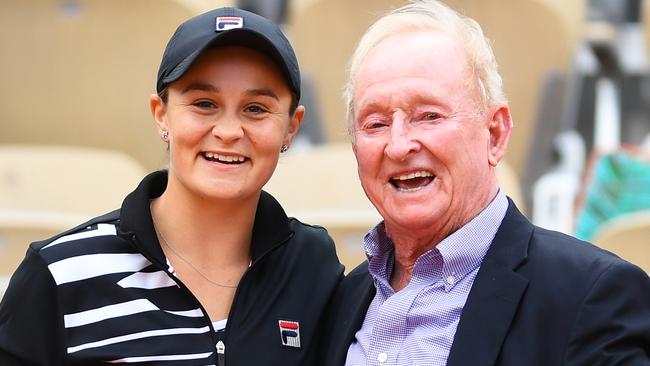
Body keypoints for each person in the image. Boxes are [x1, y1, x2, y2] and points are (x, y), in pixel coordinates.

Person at [0, 7, 343, 365]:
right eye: (204, 104)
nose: (228, 131)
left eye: (256, 109)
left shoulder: (312, 264)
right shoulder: (60, 273)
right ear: (161, 114)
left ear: (291, 126)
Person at [321, 1, 650, 365]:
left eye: (429, 116)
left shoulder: (589, 296)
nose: (398, 145)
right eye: (376, 123)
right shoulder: (340, 300)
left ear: (495, 134)